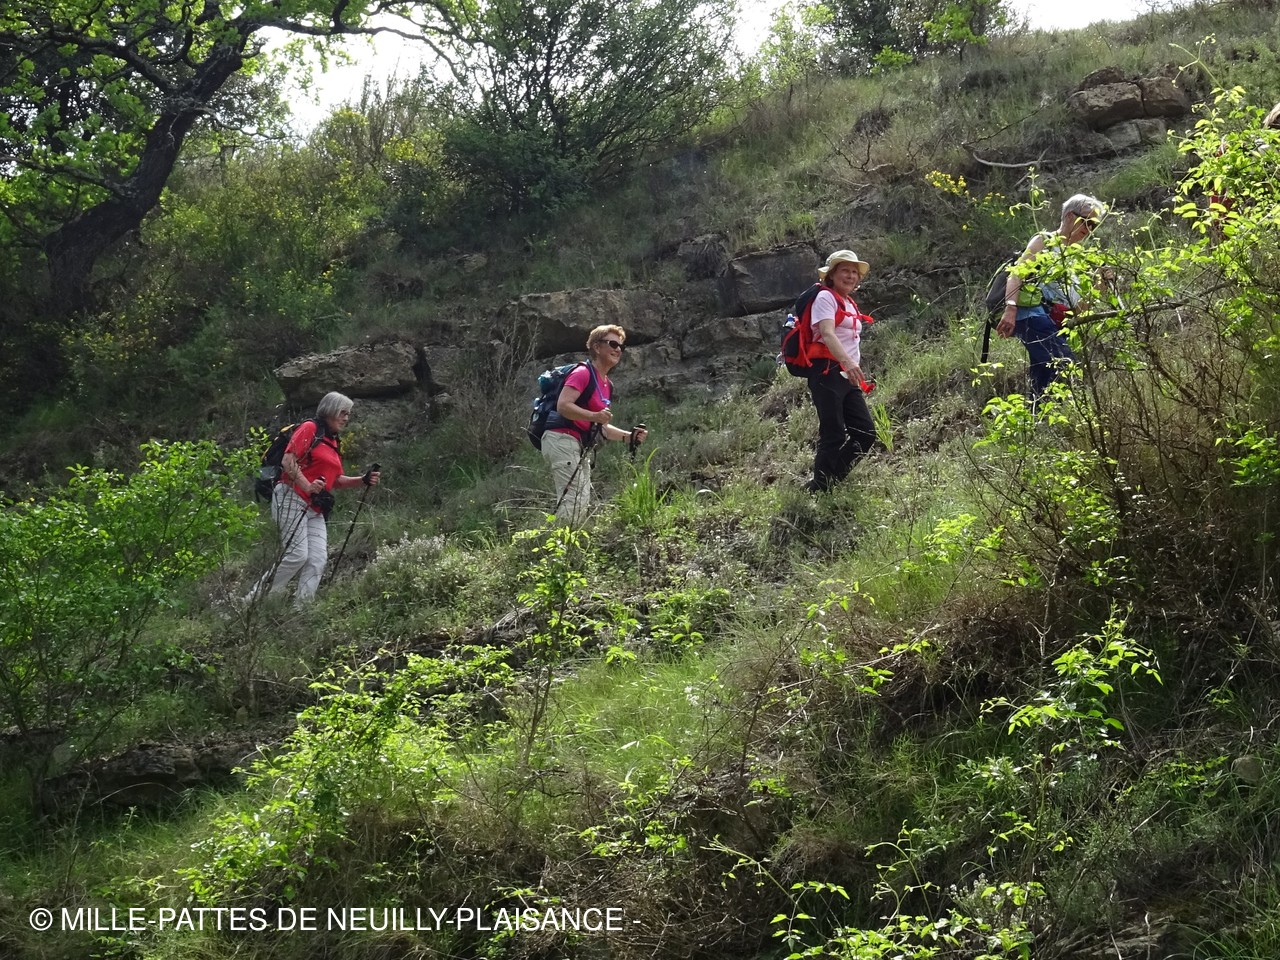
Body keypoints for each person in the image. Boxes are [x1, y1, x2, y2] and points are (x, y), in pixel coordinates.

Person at [246, 391, 380, 605]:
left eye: (348, 414)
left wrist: (362, 480)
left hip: (314, 507)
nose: (346, 418)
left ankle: (301, 610)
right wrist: (307, 486)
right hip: (290, 497)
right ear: (330, 411)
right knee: (297, 555)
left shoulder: (332, 441)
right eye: (343, 413)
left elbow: (335, 480)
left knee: (317, 559)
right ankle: (255, 601)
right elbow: (288, 461)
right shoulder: (310, 428)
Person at [995, 194, 1108, 403]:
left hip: (1052, 324)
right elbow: (1016, 274)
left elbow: (1078, 310)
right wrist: (1010, 309)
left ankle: (1036, 419)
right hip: (1031, 316)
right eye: (1087, 222)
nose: (1089, 229)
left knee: (1043, 380)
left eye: (1094, 226)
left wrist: (1100, 285)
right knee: (1066, 366)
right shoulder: (1044, 241)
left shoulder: (1076, 257)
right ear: (1069, 216)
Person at [542, 324, 648, 525]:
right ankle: (559, 542)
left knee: (581, 499)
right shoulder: (583, 373)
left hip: (578, 444)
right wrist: (594, 415)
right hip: (562, 438)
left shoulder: (607, 384)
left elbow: (600, 425)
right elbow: (563, 406)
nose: (618, 350)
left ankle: (562, 539)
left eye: (621, 346)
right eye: (613, 344)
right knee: (573, 499)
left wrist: (629, 436)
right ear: (597, 347)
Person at [802, 249, 877, 492]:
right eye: (845, 270)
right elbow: (827, 333)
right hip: (827, 372)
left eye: (855, 272)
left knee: (865, 433)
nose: (851, 276)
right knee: (833, 434)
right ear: (832, 275)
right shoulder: (825, 297)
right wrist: (848, 362)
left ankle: (828, 482)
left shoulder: (849, 303)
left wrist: (852, 367)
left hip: (847, 375)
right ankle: (821, 490)